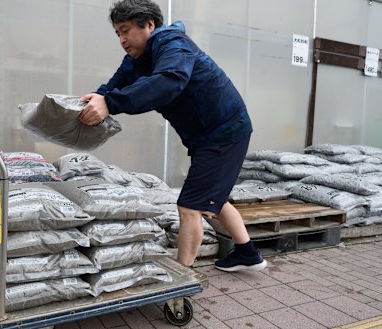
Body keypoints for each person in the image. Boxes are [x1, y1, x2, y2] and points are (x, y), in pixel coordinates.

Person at [78, 0, 266, 272]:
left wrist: (111, 103)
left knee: (189, 206)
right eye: (117, 33)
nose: (121, 39)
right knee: (214, 196)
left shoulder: (172, 45)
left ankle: (181, 279)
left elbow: (169, 80)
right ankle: (247, 253)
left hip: (224, 133)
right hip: (208, 135)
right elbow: (114, 85)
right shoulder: (137, 59)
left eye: (126, 30)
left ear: (150, 25)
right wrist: (97, 98)